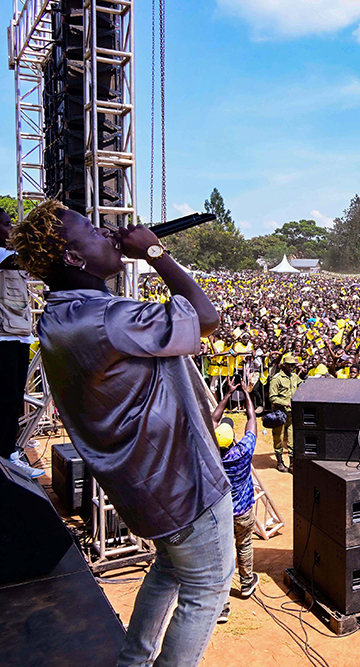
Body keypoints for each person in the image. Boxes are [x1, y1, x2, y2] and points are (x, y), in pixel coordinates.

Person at [11, 202, 233, 667]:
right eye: (91, 229)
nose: (106, 231)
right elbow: (206, 317)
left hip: (141, 488)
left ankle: (133, 661)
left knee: (171, 568)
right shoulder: (110, 321)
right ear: (73, 258)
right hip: (184, 483)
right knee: (207, 586)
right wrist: (155, 252)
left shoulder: (56, 318)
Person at [211, 377, 260, 623]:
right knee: (245, 545)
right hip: (243, 512)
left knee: (222, 557)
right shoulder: (243, 453)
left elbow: (212, 420)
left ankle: (222, 607)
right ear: (232, 439)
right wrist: (246, 393)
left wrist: (227, 394)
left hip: (218, 516)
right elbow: (252, 419)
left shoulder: (209, 456)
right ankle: (247, 583)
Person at [0, 208, 39, 477]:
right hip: (3, 337)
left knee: (14, 398)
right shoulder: (6, 256)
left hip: (19, 333)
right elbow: (18, 261)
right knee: (4, 398)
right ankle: (4, 453)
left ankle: (9, 449)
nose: (10, 228)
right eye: (5, 224)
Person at [268, 352, 301, 472]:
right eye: (290, 365)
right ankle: (279, 461)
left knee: (292, 440)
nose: (292, 367)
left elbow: (301, 384)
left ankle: (292, 464)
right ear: (284, 365)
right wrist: (286, 403)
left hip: (292, 414)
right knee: (279, 438)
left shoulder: (294, 376)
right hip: (280, 413)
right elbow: (272, 397)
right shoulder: (276, 379)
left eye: (293, 365)